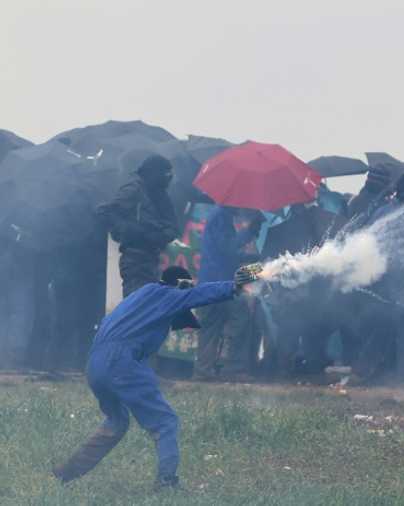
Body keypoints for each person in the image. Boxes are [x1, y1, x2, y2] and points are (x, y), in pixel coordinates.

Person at [52, 264, 260, 488]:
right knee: (165, 422)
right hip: (120, 362)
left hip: (94, 364)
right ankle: (167, 482)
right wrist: (235, 286)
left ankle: (66, 473)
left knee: (116, 423)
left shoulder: (140, 297)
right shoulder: (168, 294)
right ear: (180, 285)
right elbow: (200, 294)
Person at [193, 206, 263, 381]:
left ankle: (203, 372)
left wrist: (251, 259)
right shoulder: (221, 217)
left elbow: (225, 252)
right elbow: (227, 248)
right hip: (220, 283)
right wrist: (249, 232)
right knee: (241, 318)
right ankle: (233, 369)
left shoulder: (219, 215)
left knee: (210, 326)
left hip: (212, 281)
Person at [97, 155, 179, 296]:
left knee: (146, 303)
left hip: (152, 257)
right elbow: (105, 212)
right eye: (165, 173)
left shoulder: (160, 194)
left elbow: (174, 227)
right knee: (136, 304)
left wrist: (161, 235)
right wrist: (131, 231)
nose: (168, 178)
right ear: (154, 172)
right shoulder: (134, 189)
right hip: (134, 257)